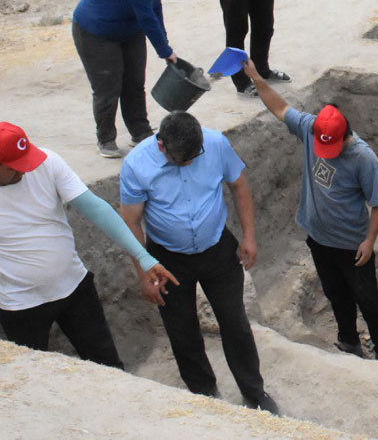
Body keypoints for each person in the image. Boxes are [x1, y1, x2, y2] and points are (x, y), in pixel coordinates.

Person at [0, 122, 177, 367]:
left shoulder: (46, 162)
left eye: (26, 161)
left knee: (108, 365)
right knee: (36, 375)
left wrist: (145, 258)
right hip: (20, 306)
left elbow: (96, 209)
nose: (24, 172)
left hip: (75, 288)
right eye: (13, 168)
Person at [118, 111, 278, 414]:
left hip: (218, 250)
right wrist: (143, 273)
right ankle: (205, 395)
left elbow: (239, 186)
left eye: (195, 156)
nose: (190, 163)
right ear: (162, 146)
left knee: (236, 324)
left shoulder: (216, 144)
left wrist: (249, 236)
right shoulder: (137, 165)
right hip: (167, 260)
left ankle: (254, 393)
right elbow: (131, 222)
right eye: (183, 160)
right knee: (182, 331)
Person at [241, 60, 378, 360]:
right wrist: (256, 78)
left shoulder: (363, 158)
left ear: (344, 135)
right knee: (335, 293)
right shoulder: (312, 127)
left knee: (367, 297)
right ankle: (349, 341)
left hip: (352, 244)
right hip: (318, 236)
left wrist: (369, 241)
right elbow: (280, 108)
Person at [72, 0, 182, 159]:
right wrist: (165, 52)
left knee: (134, 82)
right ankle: (106, 139)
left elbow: (155, 5)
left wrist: (165, 43)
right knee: (108, 86)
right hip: (96, 32)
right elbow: (145, 15)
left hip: (129, 30)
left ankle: (140, 132)